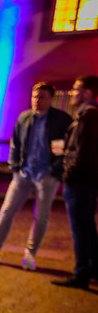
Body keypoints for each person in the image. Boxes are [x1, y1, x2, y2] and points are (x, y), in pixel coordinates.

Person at [0, 82, 72, 270]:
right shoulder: (25, 118)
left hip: (47, 176)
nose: (36, 100)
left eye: (41, 97)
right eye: (34, 96)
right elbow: (15, 143)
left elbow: (65, 148)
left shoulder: (61, 120)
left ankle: (30, 254)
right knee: (7, 211)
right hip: (24, 173)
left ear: (51, 99)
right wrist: (15, 167)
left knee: (41, 217)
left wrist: (55, 171)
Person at [51, 75, 98, 290]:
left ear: (87, 92)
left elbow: (84, 152)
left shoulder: (89, 115)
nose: (72, 92)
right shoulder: (88, 115)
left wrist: (69, 175)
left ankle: (81, 274)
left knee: (80, 229)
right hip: (83, 181)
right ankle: (92, 270)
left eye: (76, 89)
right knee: (86, 227)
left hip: (80, 182)